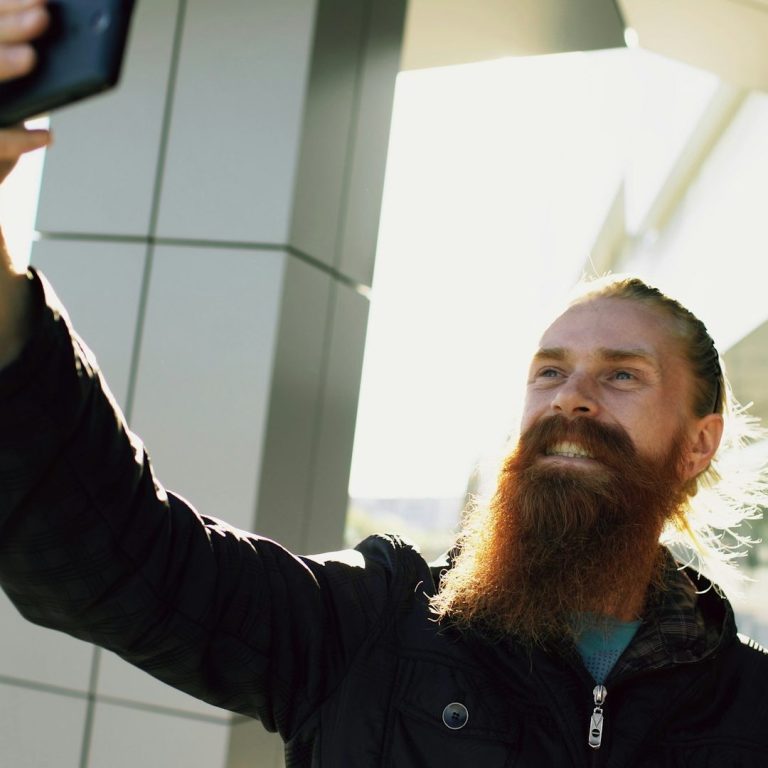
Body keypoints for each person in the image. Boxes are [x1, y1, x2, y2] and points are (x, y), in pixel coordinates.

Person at [1, 4, 767, 766]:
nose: (571, 397)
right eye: (549, 371)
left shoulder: (752, 707)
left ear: (699, 443)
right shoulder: (376, 624)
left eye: (623, 374)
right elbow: (122, 562)